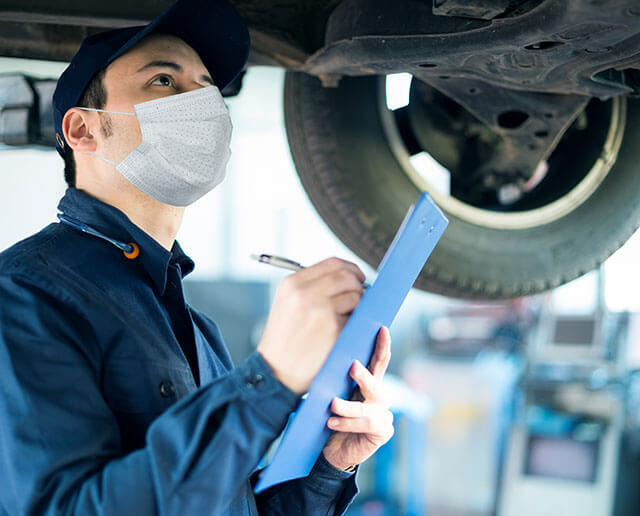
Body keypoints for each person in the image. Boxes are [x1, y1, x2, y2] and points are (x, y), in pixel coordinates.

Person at [0, 0, 395, 515]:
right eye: (163, 81)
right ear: (83, 130)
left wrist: (331, 464)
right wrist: (269, 380)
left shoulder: (197, 331)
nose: (203, 103)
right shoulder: (25, 293)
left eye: (208, 87)